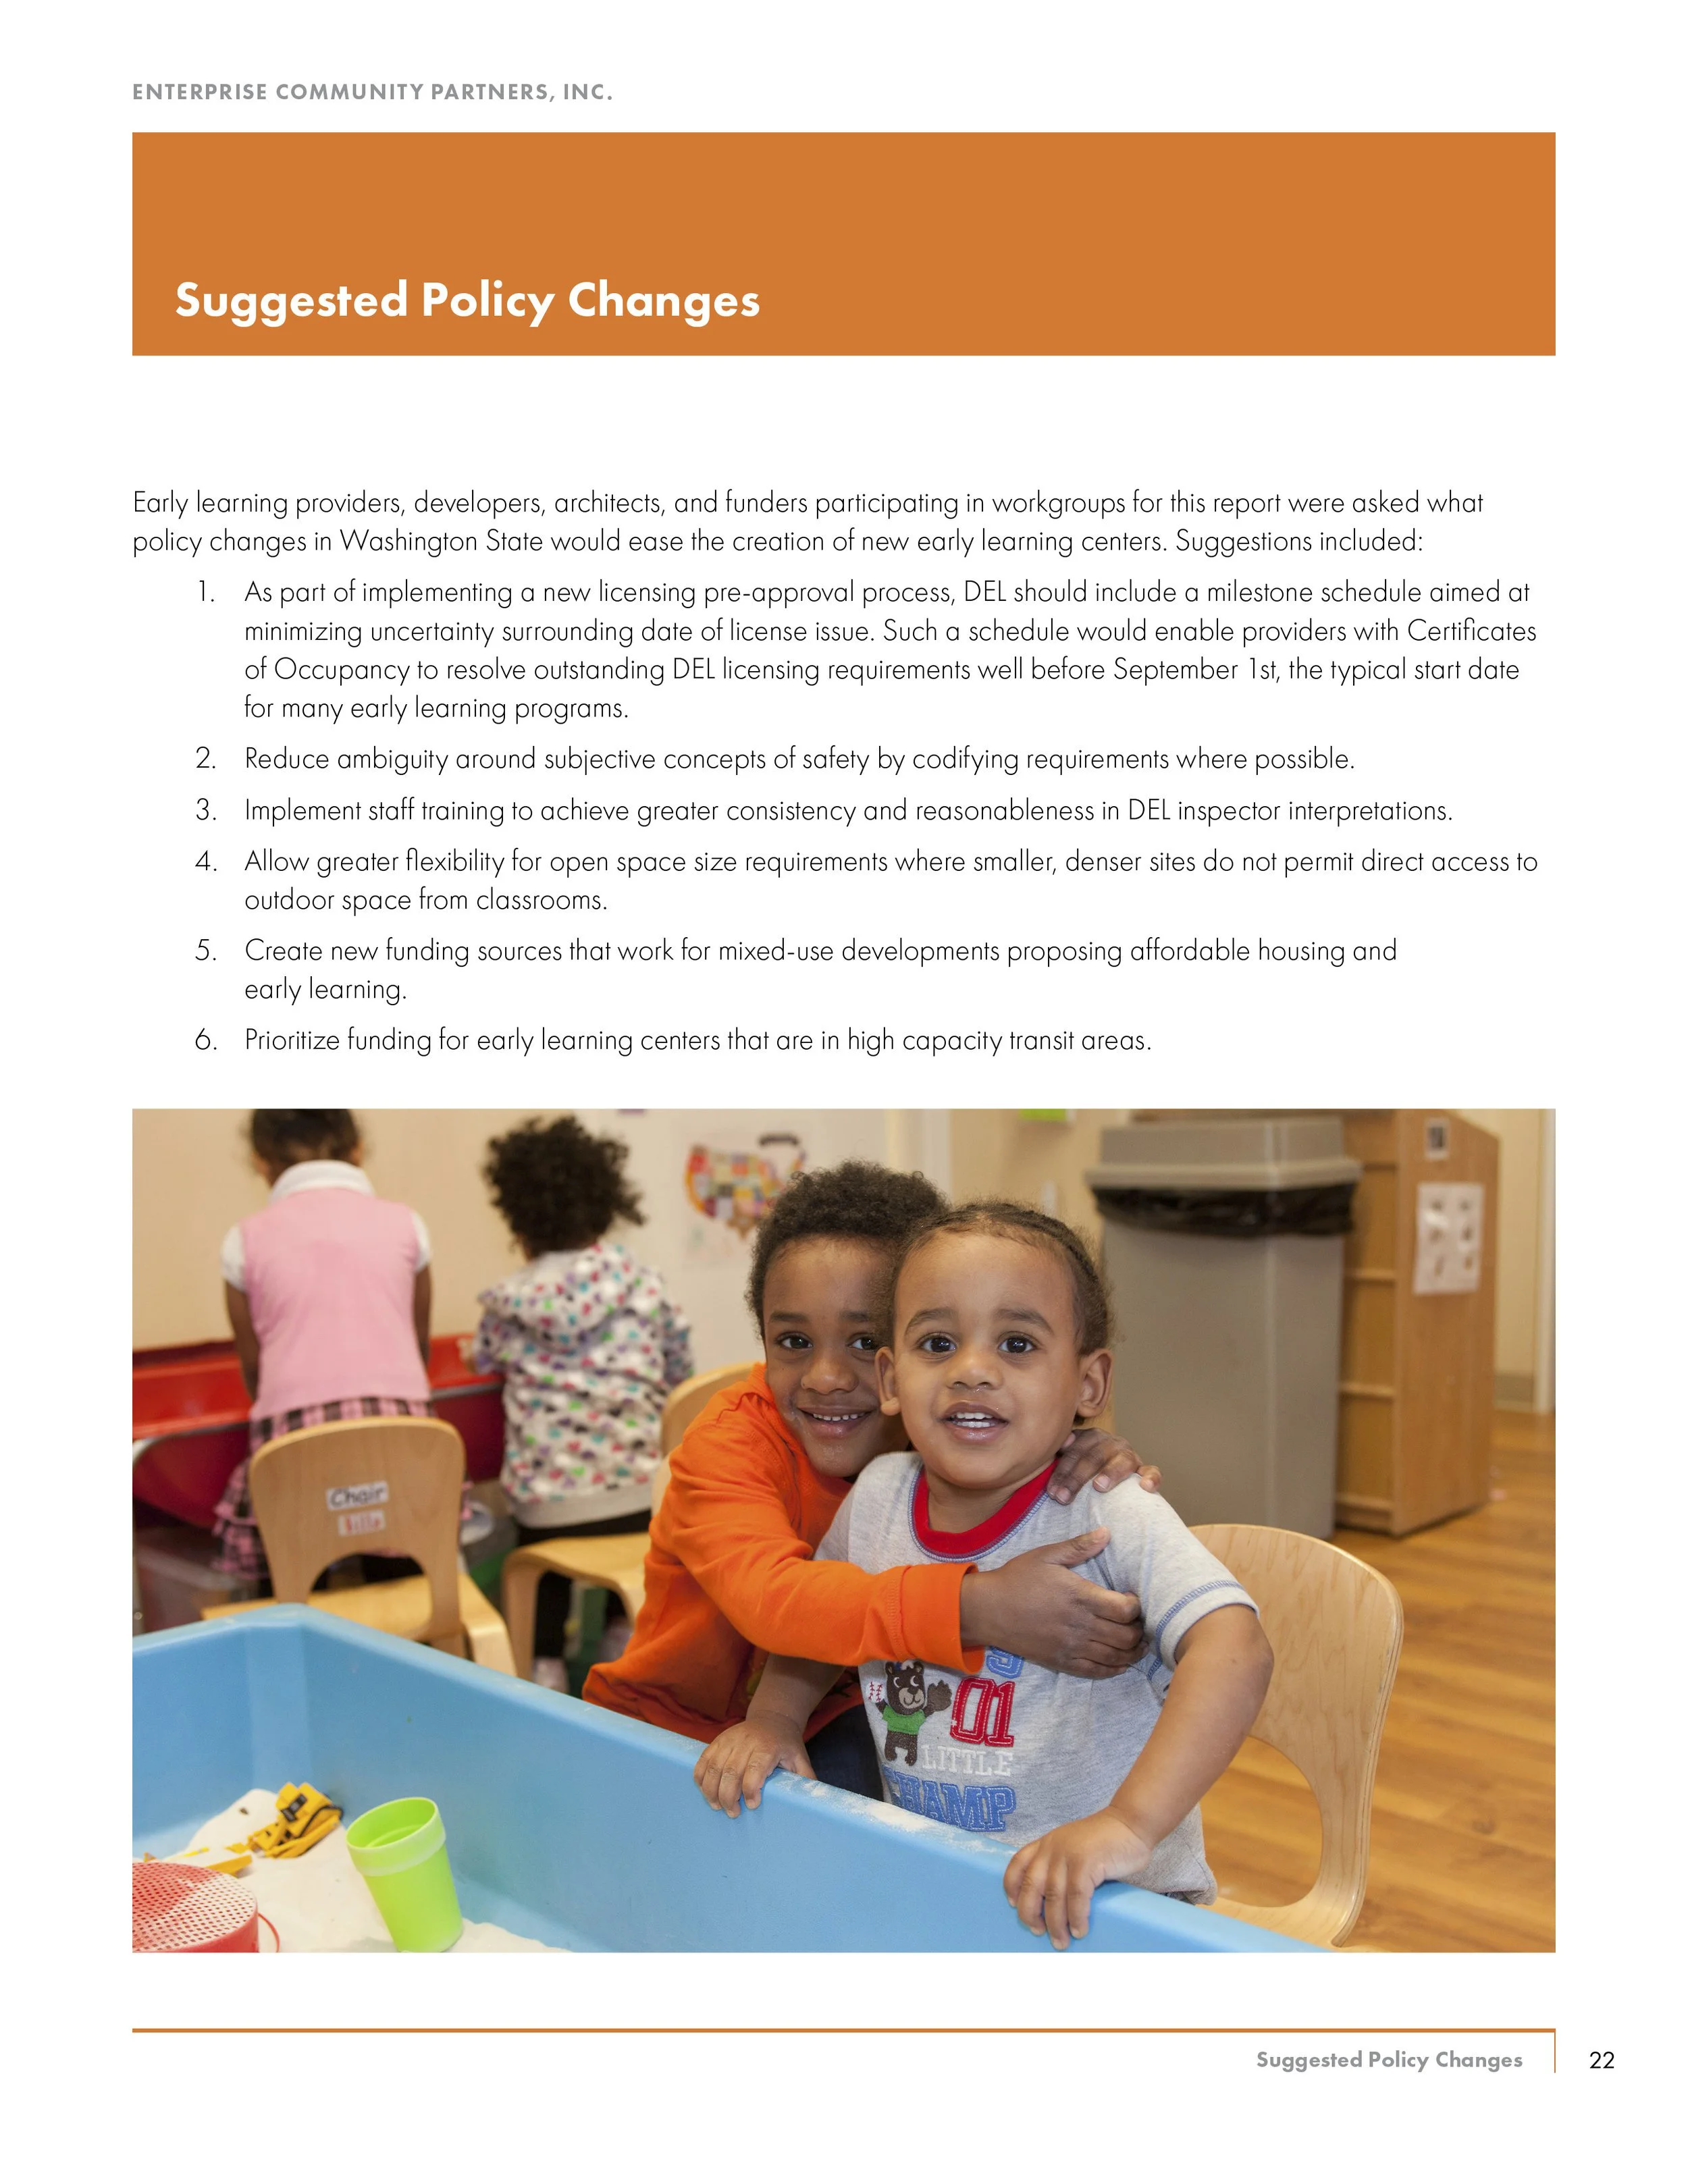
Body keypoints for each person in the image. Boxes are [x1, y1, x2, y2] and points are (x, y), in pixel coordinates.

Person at [695, 1199, 1275, 1948]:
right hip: (943, 1893)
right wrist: (773, 1719)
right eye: (937, 1342)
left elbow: (1237, 1651)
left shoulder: (1108, 1511)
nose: (972, 1369)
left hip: (1108, 1909)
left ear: (1089, 1384)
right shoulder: (876, 1497)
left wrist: (1127, 1826)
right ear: (892, 1377)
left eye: (1016, 1343)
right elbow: (819, 1619)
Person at [585, 1163, 1161, 1800]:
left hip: (841, 1717)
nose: (826, 1376)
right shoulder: (729, 1445)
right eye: (794, 1340)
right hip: (666, 1732)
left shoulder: (932, 1437)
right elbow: (776, 1600)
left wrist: (1073, 1442)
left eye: (864, 1340)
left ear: (907, 1357)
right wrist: (981, 1606)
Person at [474, 1115, 693, 1686]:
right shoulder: (643, 1285)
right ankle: (623, 1633)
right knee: (641, 1528)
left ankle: (544, 1660)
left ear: (518, 1221)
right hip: (634, 1496)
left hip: (547, 1510)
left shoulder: (509, 1305)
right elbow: (680, 1370)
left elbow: (482, 1358)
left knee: (537, 1540)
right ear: (605, 1205)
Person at [213, 1110, 435, 1583]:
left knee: (293, 1566)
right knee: (405, 1559)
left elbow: (254, 1369)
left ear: (261, 1161)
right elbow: (419, 1345)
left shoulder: (243, 1239)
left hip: (295, 1446)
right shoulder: (407, 1224)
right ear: (355, 1150)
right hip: (401, 1437)